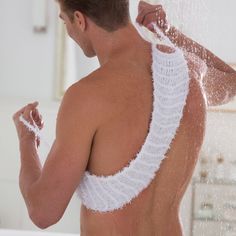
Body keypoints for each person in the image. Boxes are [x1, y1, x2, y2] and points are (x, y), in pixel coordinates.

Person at [12, 1, 236, 236]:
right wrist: (167, 31)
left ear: (80, 19)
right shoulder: (189, 74)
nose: (68, 31)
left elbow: (43, 212)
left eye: (64, 20)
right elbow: (231, 84)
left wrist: (26, 141)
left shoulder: (87, 97)